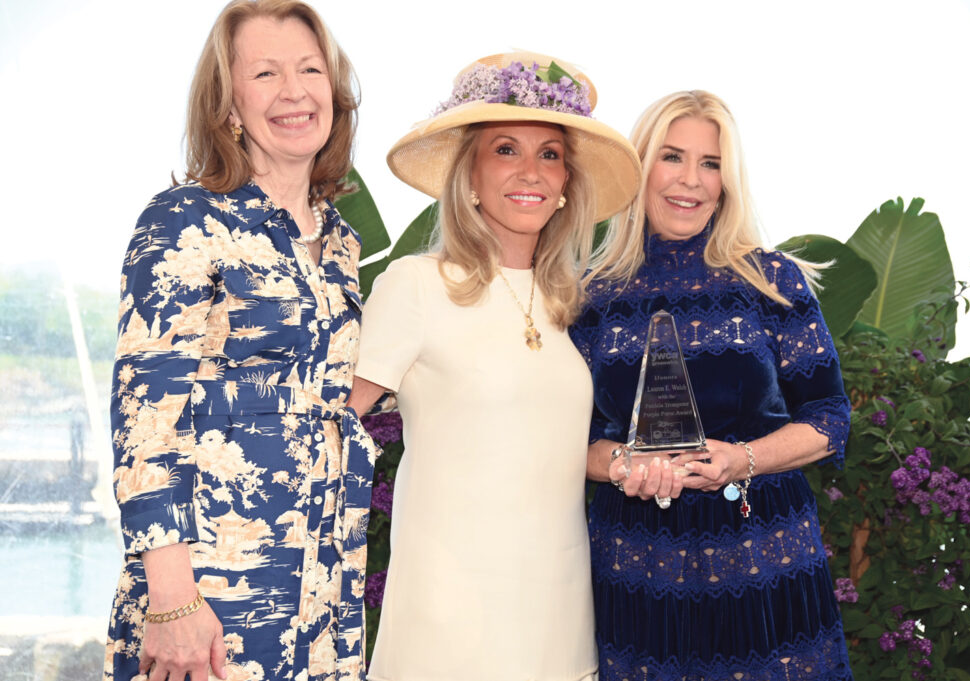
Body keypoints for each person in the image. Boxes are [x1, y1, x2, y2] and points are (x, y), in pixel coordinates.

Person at [347, 52, 641, 681]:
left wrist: (630, 462)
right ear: (470, 177)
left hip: (558, 614)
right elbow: (332, 427)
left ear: (566, 185)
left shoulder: (569, 304)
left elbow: (558, 451)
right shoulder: (416, 283)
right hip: (450, 621)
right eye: (506, 149)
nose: (530, 171)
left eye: (550, 154)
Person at [104, 2, 376, 680]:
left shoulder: (342, 243)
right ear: (228, 103)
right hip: (212, 595)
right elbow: (146, 420)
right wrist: (172, 600)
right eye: (265, 73)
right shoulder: (185, 219)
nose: (294, 91)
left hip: (325, 591)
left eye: (310, 70)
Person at [569, 90, 854, 680]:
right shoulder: (590, 295)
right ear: (640, 166)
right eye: (672, 156)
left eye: (711, 164)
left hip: (764, 555)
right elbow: (569, 439)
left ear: (728, 181)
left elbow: (829, 418)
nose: (690, 180)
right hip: (636, 563)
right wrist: (622, 464)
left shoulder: (771, 279)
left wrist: (743, 458)